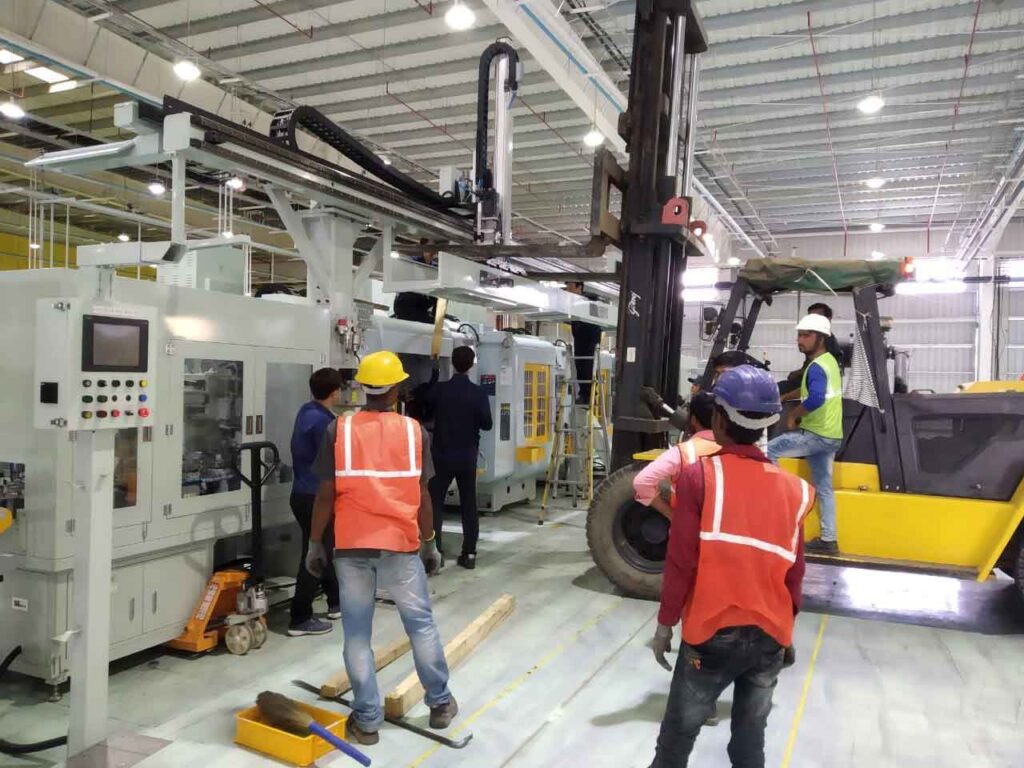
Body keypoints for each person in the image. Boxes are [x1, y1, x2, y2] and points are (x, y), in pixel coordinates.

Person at [648, 366, 813, 768]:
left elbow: (681, 561)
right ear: (768, 424)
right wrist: (786, 630)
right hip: (770, 635)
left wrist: (665, 623)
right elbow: (794, 573)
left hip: (711, 633)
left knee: (675, 744)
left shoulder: (699, 477)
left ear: (719, 420)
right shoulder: (796, 491)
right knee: (748, 746)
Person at [305, 350, 457, 745]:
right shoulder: (414, 432)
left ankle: (368, 721)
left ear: (363, 388)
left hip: (351, 546)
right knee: (420, 625)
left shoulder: (338, 430)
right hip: (400, 544)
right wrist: (430, 543)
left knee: (357, 636)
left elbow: (326, 494)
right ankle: (440, 703)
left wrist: (315, 543)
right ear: (396, 390)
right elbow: (423, 496)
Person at [767, 314, 844, 555]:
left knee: (768, 450)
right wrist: (784, 397)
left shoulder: (817, 367)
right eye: (799, 335)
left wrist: (793, 415)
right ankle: (829, 540)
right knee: (824, 488)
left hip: (817, 434)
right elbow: (809, 390)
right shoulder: (829, 362)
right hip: (831, 435)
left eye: (806, 335)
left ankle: (776, 509)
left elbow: (816, 398)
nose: (800, 340)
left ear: (821, 338)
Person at [287, 368, 343, 637]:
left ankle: (336, 602)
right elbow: (335, 460)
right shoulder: (325, 424)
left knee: (324, 546)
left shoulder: (306, 412)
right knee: (315, 553)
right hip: (316, 497)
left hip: (300, 493)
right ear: (336, 392)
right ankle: (300, 618)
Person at [425, 346, 493, 569]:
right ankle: (469, 554)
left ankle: (436, 553)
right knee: (468, 504)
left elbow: (425, 411)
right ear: (472, 364)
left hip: (441, 455)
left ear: (452, 363)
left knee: (436, 503)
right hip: (467, 456)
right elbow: (487, 424)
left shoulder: (440, 390)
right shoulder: (478, 393)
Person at [633, 392, 718, 520]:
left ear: (693, 419)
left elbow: (642, 481)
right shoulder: (739, 452)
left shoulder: (682, 452)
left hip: (688, 527)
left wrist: (670, 514)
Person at [779, 302, 842, 399]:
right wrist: (799, 372)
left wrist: (786, 398)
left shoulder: (827, 345)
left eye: (806, 336)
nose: (800, 340)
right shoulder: (815, 344)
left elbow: (816, 390)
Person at [565, 281, 603, 404]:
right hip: (579, 338)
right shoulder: (571, 303)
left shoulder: (590, 300)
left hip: (590, 338)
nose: (568, 290)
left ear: (579, 287)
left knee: (588, 366)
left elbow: (595, 319)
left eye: (570, 287)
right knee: (579, 365)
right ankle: (583, 394)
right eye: (567, 287)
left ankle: (590, 395)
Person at [393, 241, 439, 323]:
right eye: (429, 247)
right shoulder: (412, 262)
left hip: (420, 306)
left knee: (441, 293)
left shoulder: (436, 267)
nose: (431, 251)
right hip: (407, 304)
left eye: (434, 248)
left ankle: (437, 320)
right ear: (423, 248)